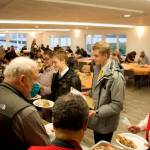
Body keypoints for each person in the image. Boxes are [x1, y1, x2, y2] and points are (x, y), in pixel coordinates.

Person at [0, 57, 50, 149]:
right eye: (34, 80)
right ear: (22, 80)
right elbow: (45, 147)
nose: (35, 84)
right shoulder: (26, 112)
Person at [87, 41, 125, 143]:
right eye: (92, 55)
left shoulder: (116, 76)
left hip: (106, 122)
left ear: (105, 55)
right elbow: (98, 88)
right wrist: (89, 93)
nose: (93, 58)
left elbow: (117, 105)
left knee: (103, 144)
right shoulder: (98, 68)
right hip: (97, 118)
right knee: (97, 143)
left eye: (96, 55)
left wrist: (97, 112)